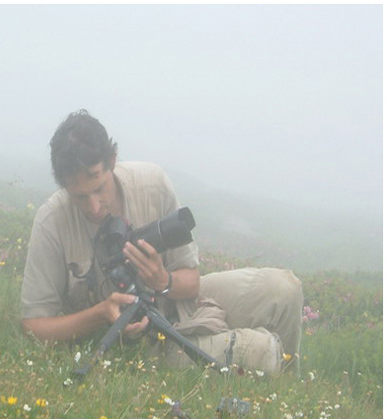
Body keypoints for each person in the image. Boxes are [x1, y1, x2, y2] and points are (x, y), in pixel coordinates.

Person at [20, 109, 303, 373]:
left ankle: (290, 391)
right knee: (262, 351)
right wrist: (101, 314)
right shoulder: (52, 221)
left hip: (176, 303)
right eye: (79, 197)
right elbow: (34, 325)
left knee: (285, 289)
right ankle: (274, 400)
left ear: (112, 161)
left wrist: (162, 280)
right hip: (138, 342)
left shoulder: (152, 185)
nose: (94, 207)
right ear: (63, 185)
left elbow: (192, 281)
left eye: (99, 188)